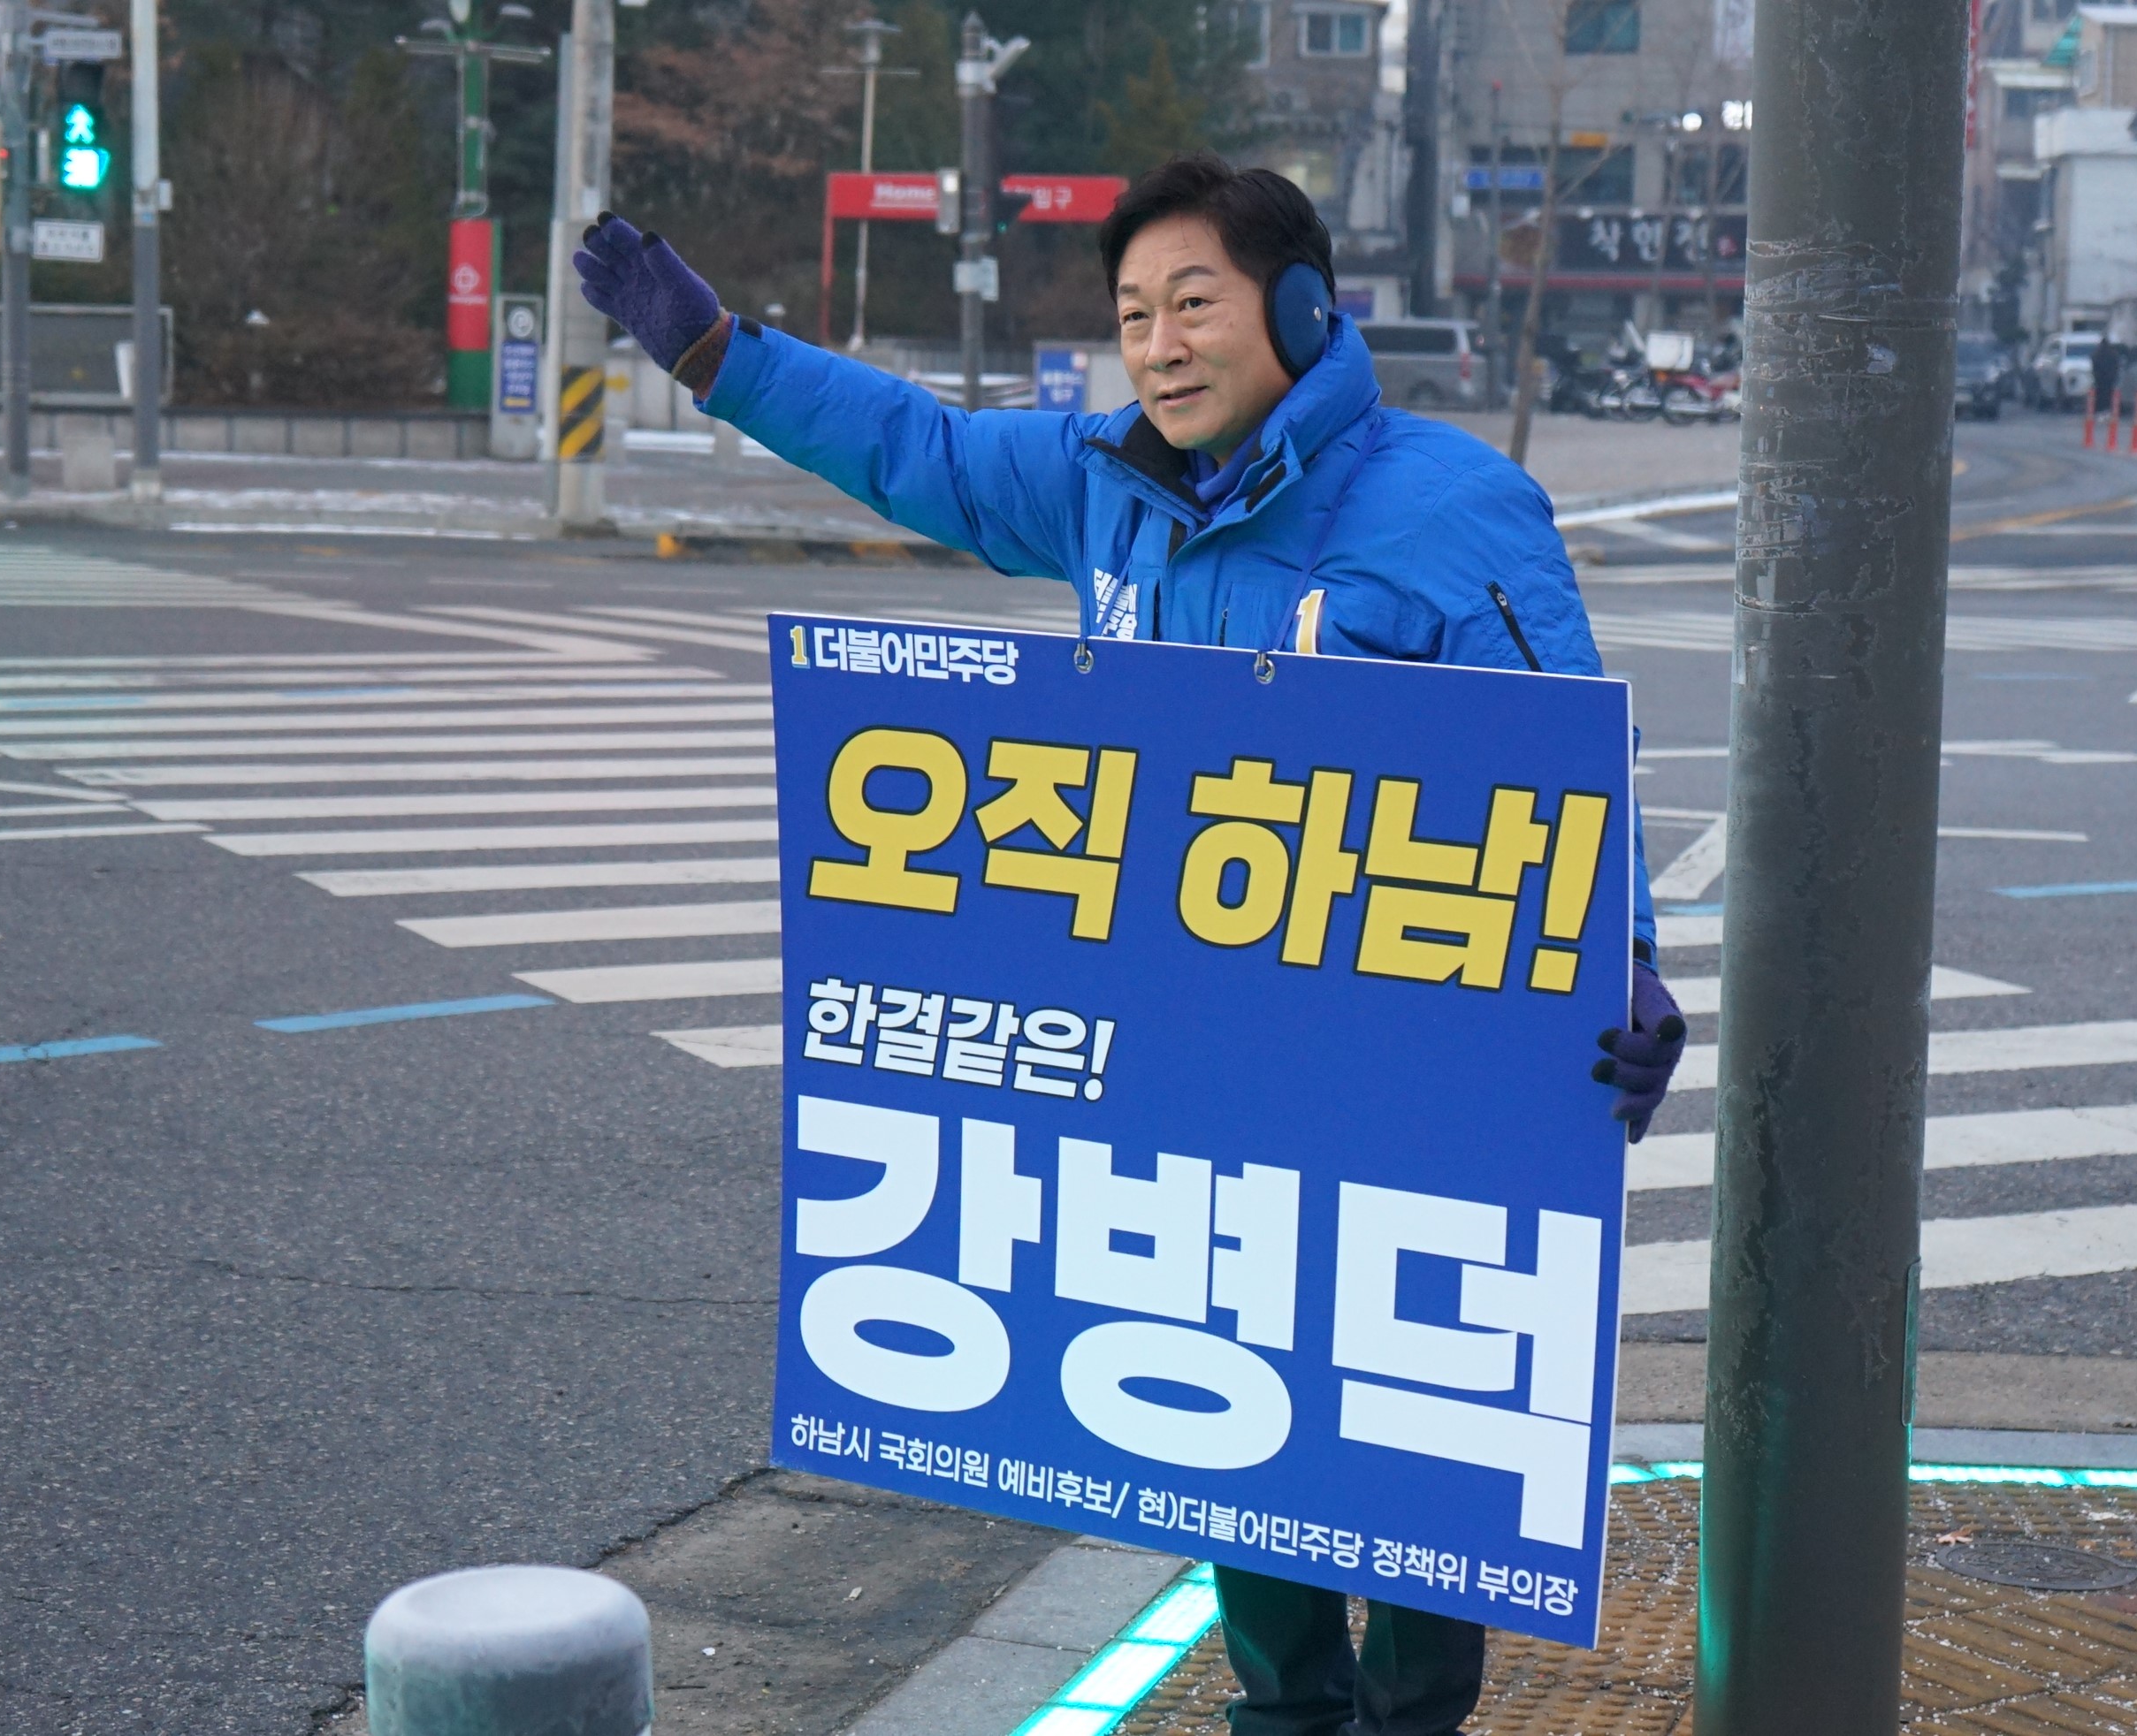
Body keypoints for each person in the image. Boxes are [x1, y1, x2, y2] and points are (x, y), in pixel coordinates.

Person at [576, 153, 1688, 1736]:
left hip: (1402, 1065)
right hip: (1210, 1066)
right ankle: (1280, 1714)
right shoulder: (1104, 480)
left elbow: (1567, 752)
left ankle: (1416, 1708)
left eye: (1192, 304)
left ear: (1299, 312)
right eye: (1131, 316)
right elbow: (918, 451)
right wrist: (710, 350)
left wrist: (1620, 955)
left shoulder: (1448, 507)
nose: (1157, 345)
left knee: (1414, 1429)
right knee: (1244, 1429)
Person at [2090, 332, 2121, 415]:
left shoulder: (2098, 353)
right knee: (2108, 394)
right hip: (2109, 378)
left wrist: (2095, 374)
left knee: (2100, 394)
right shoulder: (2113, 353)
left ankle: (2099, 409)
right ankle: (2107, 408)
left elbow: (2094, 363)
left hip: (2100, 378)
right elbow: (2116, 364)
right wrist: (2114, 375)